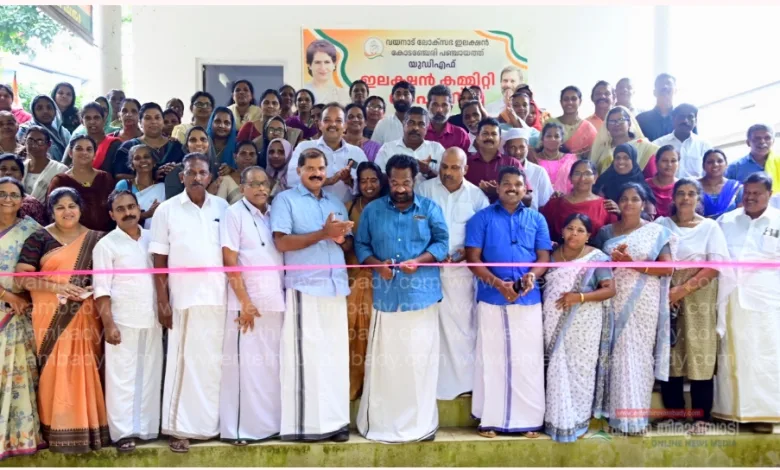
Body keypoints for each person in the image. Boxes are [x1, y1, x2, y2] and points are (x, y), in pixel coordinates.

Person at [354, 154, 448, 443]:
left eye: (405, 182)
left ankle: (420, 426)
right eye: (394, 182)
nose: (400, 188)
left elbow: (442, 243)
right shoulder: (373, 210)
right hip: (386, 297)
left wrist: (419, 261)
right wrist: (376, 265)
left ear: (414, 180)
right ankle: (381, 425)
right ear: (388, 180)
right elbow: (361, 245)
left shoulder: (429, 208)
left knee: (418, 365)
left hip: (420, 297)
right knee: (386, 366)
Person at [15, 187, 109, 453]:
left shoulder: (97, 239)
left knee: (86, 368)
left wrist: (89, 289)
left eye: (71, 206)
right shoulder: (39, 238)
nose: (67, 212)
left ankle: (90, 429)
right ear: (51, 211)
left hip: (86, 315)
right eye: (60, 207)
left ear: (80, 208)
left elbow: (107, 277)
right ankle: (56, 429)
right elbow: (21, 279)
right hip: (50, 316)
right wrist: (59, 288)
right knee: (55, 370)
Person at [270, 148, 354, 442]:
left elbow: (345, 244)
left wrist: (340, 237)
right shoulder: (285, 200)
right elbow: (281, 243)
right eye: (310, 169)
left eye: (321, 168)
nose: (317, 174)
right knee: (306, 358)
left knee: (334, 357)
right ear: (299, 171)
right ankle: (305, 426)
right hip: (305, 288)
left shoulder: (335, 203)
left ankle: (336, 423)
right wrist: (323, 233)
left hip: (335, 287)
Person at [149, 152, 229, 453]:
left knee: (213, 366)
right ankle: (180, 427)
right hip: (183, 298)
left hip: (218, 298)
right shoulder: (167, 210)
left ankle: (210, 427)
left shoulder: (222, 207)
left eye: (202, 173)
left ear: (210, 177)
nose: (197, 178)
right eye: (191, 173)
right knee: (183, 364)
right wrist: (163, 300)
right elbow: (159, 260)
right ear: (181, 177)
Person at [465, 166, 552, 438]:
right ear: (498, 186)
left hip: (528, 298)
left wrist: (531, 276)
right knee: (492, 359)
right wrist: (497, 284)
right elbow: (473, 259)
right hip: (492, 297)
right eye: (507, 183)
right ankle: (490, 419)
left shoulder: (537, 219)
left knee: (528, 360)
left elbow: (544, 258)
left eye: (518, 184)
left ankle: (529, 421)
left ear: (525, 188)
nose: (512, 188)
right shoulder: (481, 218)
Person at [591, 182, 676, 434]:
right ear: (617, 203)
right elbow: (594, 265)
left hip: (644, 301)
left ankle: (637, 419)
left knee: (639, 356)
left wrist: (632, 262)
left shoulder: (656, 232)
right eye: (624, 198)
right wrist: (614, 263)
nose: (629, 203)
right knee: (616, 355)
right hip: (613, 299)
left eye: (635, 198)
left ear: (644, 203)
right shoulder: (605, 232)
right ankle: (617, 418)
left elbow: (667, 269)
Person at [655, 179, 730, 435]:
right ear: (673, 198)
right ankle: (674, 415)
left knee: (700, 352)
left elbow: (715, 266)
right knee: (671, 353)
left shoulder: (710, 227)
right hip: (667, 291)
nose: (685, 198)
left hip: (699, 293)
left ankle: (701, 417)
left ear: (698, 198)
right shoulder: (662, 225)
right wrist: (671, 290)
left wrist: (682, 290)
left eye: (691, 194)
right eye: (681, 193)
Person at [220, 166, 285, 444]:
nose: (261, 188)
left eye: (264, 183)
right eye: (254, 184)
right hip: (246, 304)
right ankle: (240, 431)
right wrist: (244, 302)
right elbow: (229, 260)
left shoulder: (273, 214)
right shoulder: (233, 214)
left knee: (270, 369)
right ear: (242, 187)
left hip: (274, 302)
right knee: (245, 370)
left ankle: (269, 427)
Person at [417, 148, 489, 400]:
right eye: (444, 167)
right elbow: (414, 225)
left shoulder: (476, 196)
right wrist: (430, 252)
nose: (448, 172)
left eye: (455, 167)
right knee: (430, 326)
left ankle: (463, 385)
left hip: (461, 273)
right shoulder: (424, 190)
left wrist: (466, 252)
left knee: (462, 327)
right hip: (428, 271)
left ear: (465, 169)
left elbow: (484, 233)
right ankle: (431, 385)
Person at [93, 190, 162, 452]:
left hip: (152, 318)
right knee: (121, 377)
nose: (128, 213)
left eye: (131, 207)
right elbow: (101, 289)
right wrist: (109, 324)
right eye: (120, 209)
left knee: (150, 373)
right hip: (122, 320)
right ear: (112, 215)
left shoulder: (152, 239)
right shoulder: (106, 245)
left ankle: (146, 429)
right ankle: (122, 433)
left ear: (139, 209)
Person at [714, 172, 780, 434]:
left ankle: (764, 414)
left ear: (769, 195)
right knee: (731, 356)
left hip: (768, 301)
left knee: (765, 356)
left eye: (757, 193)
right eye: (747, 192)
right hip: (731, 299)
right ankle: (729, 412)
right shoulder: (727, 221)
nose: (750, 197)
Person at [542, 213, 616, 442]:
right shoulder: (550, 256)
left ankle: (577, 421)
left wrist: (579, 297)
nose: (574, 233)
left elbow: (609, 289)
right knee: (556, 369)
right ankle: (557, 421)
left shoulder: (596, 258)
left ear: (588, 235)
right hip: (552, 322)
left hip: (585, 324)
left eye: (580, 230)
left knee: (580, 371)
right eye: (570, 228)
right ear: (562, 231)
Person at [0, 176, 44, 461]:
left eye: (13, 194)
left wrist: (25, 296)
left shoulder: (32, 229)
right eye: (2, 194)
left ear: (22, 199)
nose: (7, 199)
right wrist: (7, 296)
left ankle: (18, 438)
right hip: (8, 306)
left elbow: (46, 265)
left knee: (18, 378)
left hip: (20, 315)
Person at [344, 161, 387, 400]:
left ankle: (375, 390)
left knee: (375, 332)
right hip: (352, 278)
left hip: (380, 279)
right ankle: (352, 386)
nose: (368, 185)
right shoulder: (348, 207)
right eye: (363, 181)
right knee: (352, 330)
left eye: (373, 180)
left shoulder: (389, 206)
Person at [286, 103, 367, 203]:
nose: (333, 124)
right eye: (327, 120)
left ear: (345, 126)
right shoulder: (304, 147)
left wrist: (349, 182)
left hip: (344, 210)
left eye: (338, 121)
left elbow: (367, 186)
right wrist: (328, 181)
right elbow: (291, 180)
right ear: (320, 125)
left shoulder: (357, 153)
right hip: (308, 208)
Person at [47, 136, 116, 232]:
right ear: (70, 153)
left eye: (89, 149)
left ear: (94, 154)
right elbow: (52, 214)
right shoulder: (60, 181)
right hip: (71, 236)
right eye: (79, 149)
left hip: (106, 236)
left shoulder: (105, 178)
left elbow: (115, 208)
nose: (84, 152)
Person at [541, 160, 618, 241]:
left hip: (595, 249)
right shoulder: (554, 204)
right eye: (577, 173)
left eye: (587, 173)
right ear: (570, 178)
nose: (582, 178)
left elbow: (612, 240)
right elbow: (542, 234)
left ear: (595, 178)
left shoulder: (606, 206)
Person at [115, 103, 184, 183]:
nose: (153, 122)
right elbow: (119, 176)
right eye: (148, 118)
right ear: (140, 122)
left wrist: (175, 170)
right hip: (138, 191)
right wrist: (150, 177)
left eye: (157, 118)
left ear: (162, 121)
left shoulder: (176, 146)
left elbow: (187, 170)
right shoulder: (128, 147)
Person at [375, 107, 444, 186]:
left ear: (427, 128)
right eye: (411, 123)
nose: (415, 128)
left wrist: (428, 171)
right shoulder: (387, 149)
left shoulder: (436, 149)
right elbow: (378, 179)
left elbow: (446, 180)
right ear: (403, 124)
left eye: (421, 124)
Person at [590, 106, 659, 177]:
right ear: (606, 126)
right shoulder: (602, 149)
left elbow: (653, 175)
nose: (616, 124)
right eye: (612, 121)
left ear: (629, 123)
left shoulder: (644, 147)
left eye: (621, 120)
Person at [465, 117, 522, 203]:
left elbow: (528, 199)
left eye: (494, 134)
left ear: (500, 139)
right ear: (477, 138)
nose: (489, 137)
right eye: (485, 133)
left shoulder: (512, 163)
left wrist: (499, 191)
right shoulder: (467, 164)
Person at [65, 102, 126, 178]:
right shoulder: (76, 144)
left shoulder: (115, 145)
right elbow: (65, 169)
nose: (92, 122)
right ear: (82, 122)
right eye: (88, 118)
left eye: (96, 118)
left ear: (104, 120)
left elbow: (119, 175)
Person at [593, 143, 656, 216]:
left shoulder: (642, 186)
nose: (621, 162)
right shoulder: (603, 181)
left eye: (626, 158)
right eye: (617, 158)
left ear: (633, 160)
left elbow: (648, 217)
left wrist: (621, 212)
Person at [652, 104, 711, 179]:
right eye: (681, 116)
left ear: (695, 121)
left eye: (690, 117)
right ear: (673, 119)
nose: (685, 121)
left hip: (696, 186)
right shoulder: (658, 144)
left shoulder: (704, 145)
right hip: (667, 186)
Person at [115, 144, 166, 229]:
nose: (143, 160)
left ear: (154, 162)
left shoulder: (162, 187)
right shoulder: (124, 185)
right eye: (137, 158)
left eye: (146, 157)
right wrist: (146, 214)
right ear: (132, 165)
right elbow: (119, 215)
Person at [501, 127, 552, 209]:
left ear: (527, 147)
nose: (517, 152)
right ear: (505, 148)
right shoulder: (499, 169)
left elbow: (545, 204)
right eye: (512, 147)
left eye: (522, 147)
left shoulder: (539, 172)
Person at [636, 74, 696, 142]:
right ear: (654, 92)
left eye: (668, 83)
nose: (665, 86)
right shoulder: (641, 120)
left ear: (675, 90)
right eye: (661, 84)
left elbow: (694, 142)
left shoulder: (687, 119)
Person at [237, 89, 302, 151]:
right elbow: (238, 150)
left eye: (274, 103)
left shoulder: (288, 131)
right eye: (266, 103)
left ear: (280, 109)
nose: (270, 106)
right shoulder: (249, 127)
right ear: (260, 106)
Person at [17, 95, 71, 162]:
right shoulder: (25, 130)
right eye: (39, 108)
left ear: (55, 111)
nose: (45, 111)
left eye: (49, 107)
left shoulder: (64, 132)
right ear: (33, 112)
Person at [546, 86, 598, 157]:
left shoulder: (588, 128)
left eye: (574, 99)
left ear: (580, 101)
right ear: (561, 102)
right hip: (550, 162)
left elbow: (595, 154)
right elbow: (541, 148)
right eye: (566, 99)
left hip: (579, 164)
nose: (569, 102)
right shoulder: (550, 123)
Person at [20, 126, 67, 202]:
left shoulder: (59, 170)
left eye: (40, 142)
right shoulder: (20, 167)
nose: (34, 145)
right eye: (30, 141)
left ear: (49, 144)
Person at [0, 154, 47, 225]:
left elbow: (41, 231)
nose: (8, 173)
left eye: (14, 169)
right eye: (3, 169)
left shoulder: (32, 205)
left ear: (22, 175)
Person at [534, 122, 578, 194]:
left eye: (556, 136)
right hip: (540, 199)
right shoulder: (534, 159)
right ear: (542, 139)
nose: (552, 139)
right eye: (549, 136)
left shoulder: (571, 159)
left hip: (566, 199)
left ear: (562, 141)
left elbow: (577, 182)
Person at [303, 39, 350, 105]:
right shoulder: (302, 92)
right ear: (309, 65)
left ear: (334, 65)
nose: (323, 67)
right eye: (317, 62)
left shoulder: (344, 95)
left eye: (327, 62)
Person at [425, 85, 470, 154]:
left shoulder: (460, 135)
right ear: (428, 106)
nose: (439, 110)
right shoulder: (420, 132)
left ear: (451, 107)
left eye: (444, 105)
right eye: (435, 105)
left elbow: (467, 159)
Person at [699, 149, 743, 218]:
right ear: (703, 166)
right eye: (710, 162)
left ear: (726, 165)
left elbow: (741, 215)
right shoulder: (693, 187)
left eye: (720, 161)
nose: (715, 165)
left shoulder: (736, 187)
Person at [216, 139, 260, 205]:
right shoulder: (226, 180)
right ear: (235, 157)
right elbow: (219, 206)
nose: (248, 157)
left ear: (256, 158)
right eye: (243, 154)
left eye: (252, 154)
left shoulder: (261, 180)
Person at [645, 145, 680, 218]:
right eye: (664, 161)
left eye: (673, 161)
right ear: (656, 163)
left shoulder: (681, 186)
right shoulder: (645, 185)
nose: (669, 165)